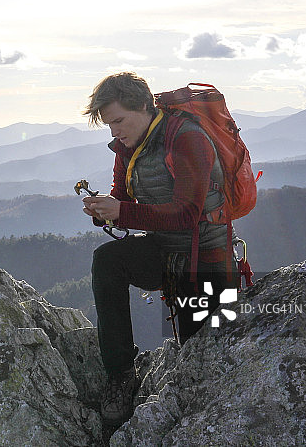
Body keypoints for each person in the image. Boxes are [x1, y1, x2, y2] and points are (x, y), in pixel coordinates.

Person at [81, 72, 237, 425]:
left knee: (199, 359)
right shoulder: (127, 147)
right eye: (109, 125)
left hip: (205, 263)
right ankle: (120, 375)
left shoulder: (188, 139)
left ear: (144, 106)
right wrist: (104, 210)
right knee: (107, 261)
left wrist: (121, 211)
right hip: (165, 251)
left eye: (119, 120)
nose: (115, 132)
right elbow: (123, 197)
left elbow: (186, 214)